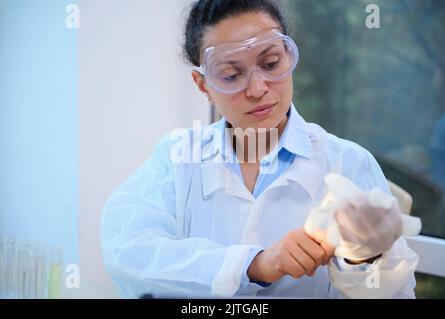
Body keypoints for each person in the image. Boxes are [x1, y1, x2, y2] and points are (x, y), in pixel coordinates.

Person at [101, 0, 419, 298]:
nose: (257, 89)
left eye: (270, 63)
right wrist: (255, 265)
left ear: (288, 56)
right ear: (203, 85)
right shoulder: (178, 157)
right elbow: (126, 251)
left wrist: (360, 261)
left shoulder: (347, 161)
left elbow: (398, 291)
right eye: (231, 75)